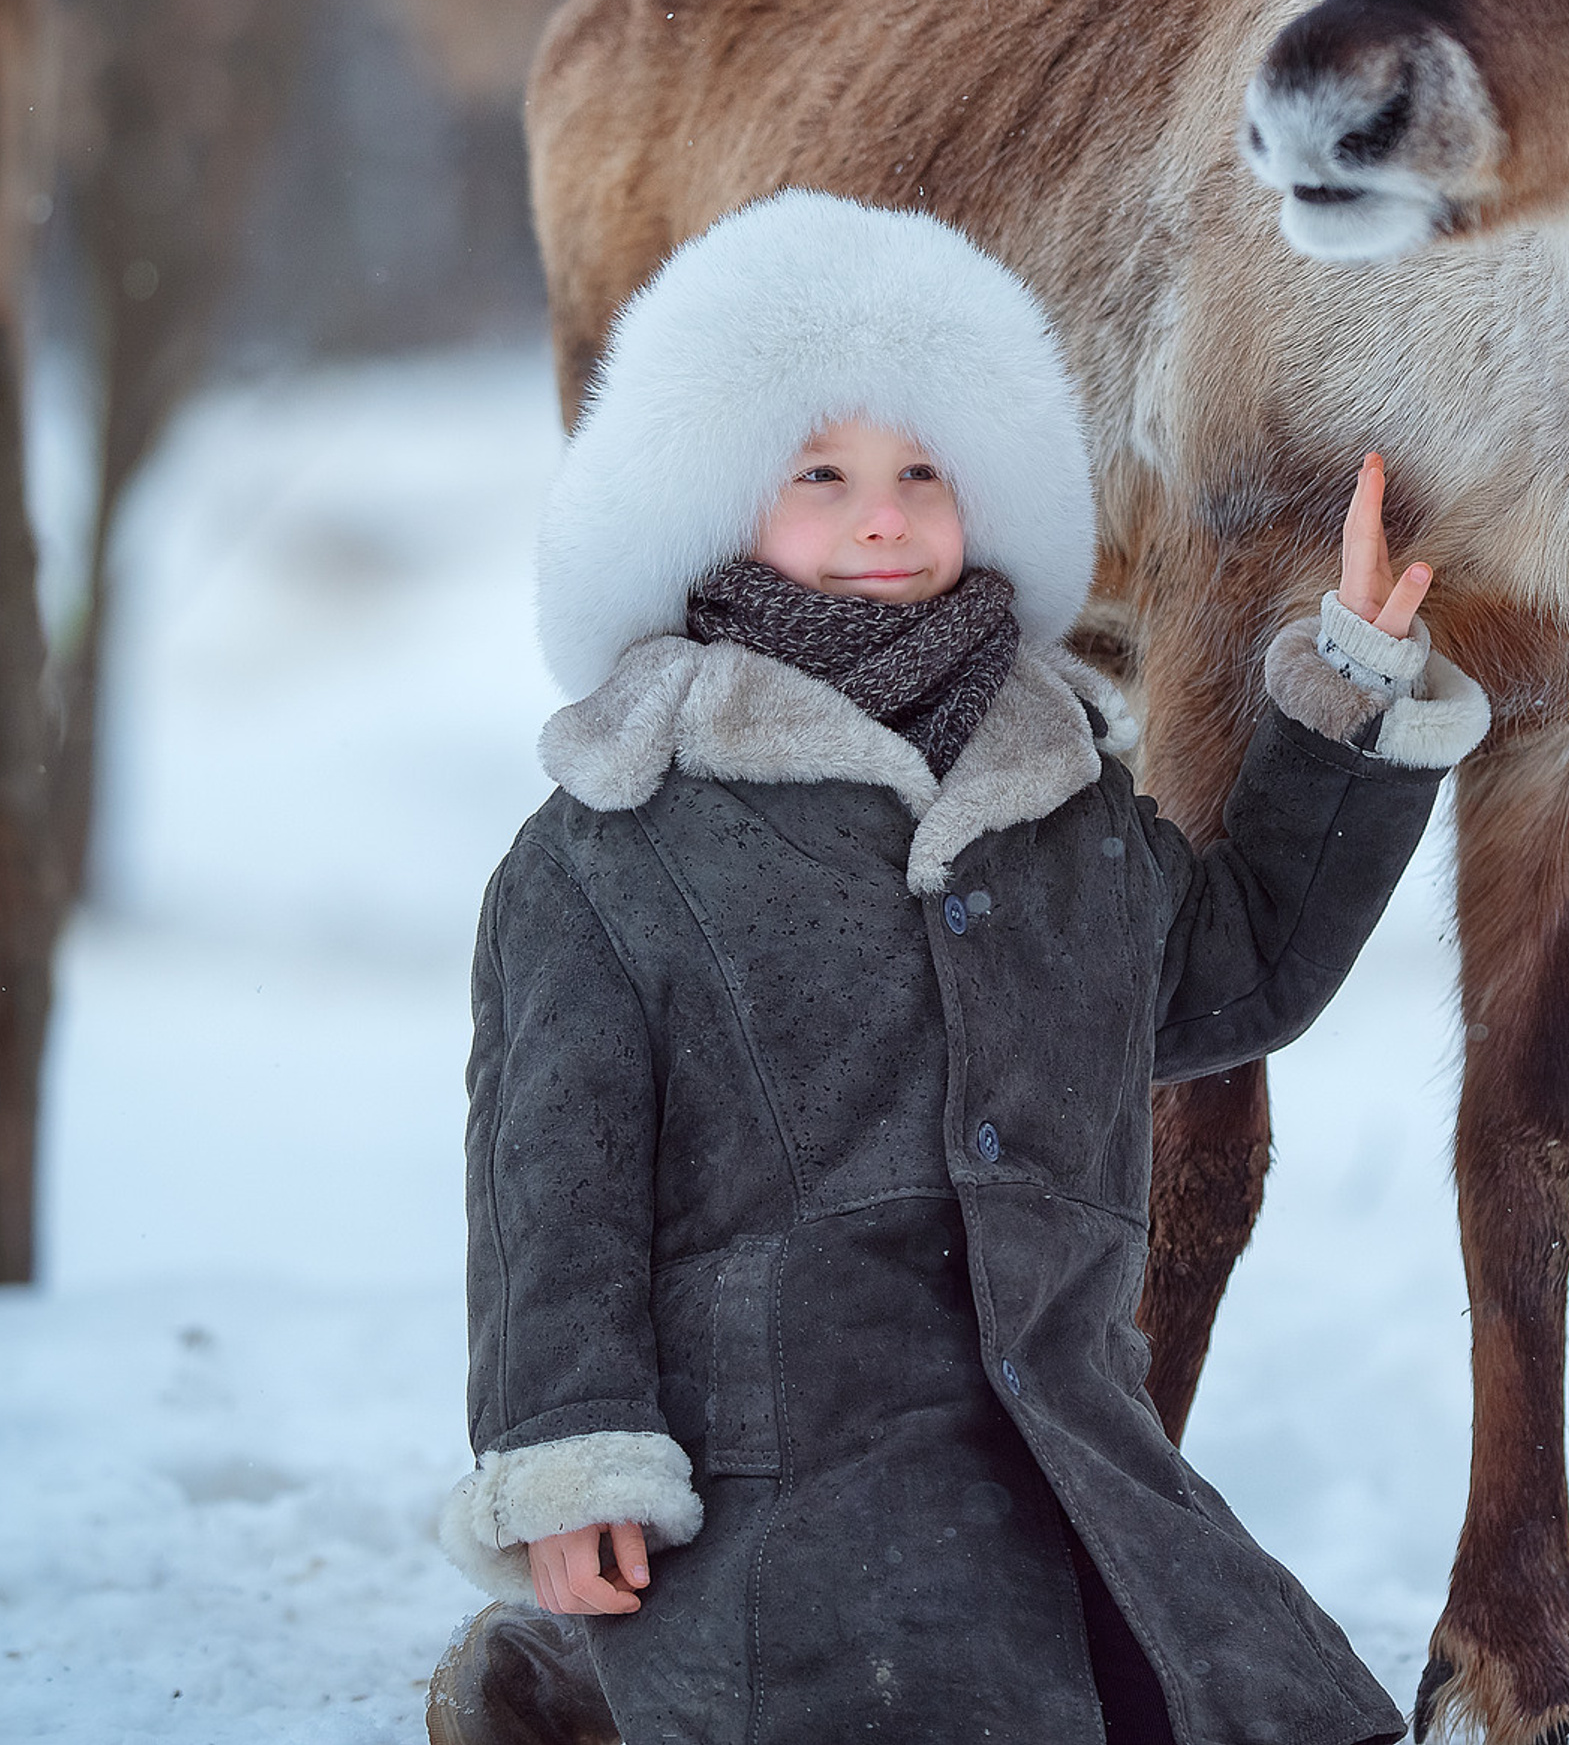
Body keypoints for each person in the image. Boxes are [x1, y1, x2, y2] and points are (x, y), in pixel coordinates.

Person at [428, 189, 1491, 1745]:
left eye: (925, 470)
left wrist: (1350, 684)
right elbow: (551, 1184)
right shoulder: (618, 839)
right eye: (823, 473)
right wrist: (570, 1449)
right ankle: (574, 1685)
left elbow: (1237, 972)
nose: (885, 515)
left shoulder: (1061, 810)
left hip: (1070, 1461)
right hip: (779, 1486)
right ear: (714, 503)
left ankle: (574, 1697)